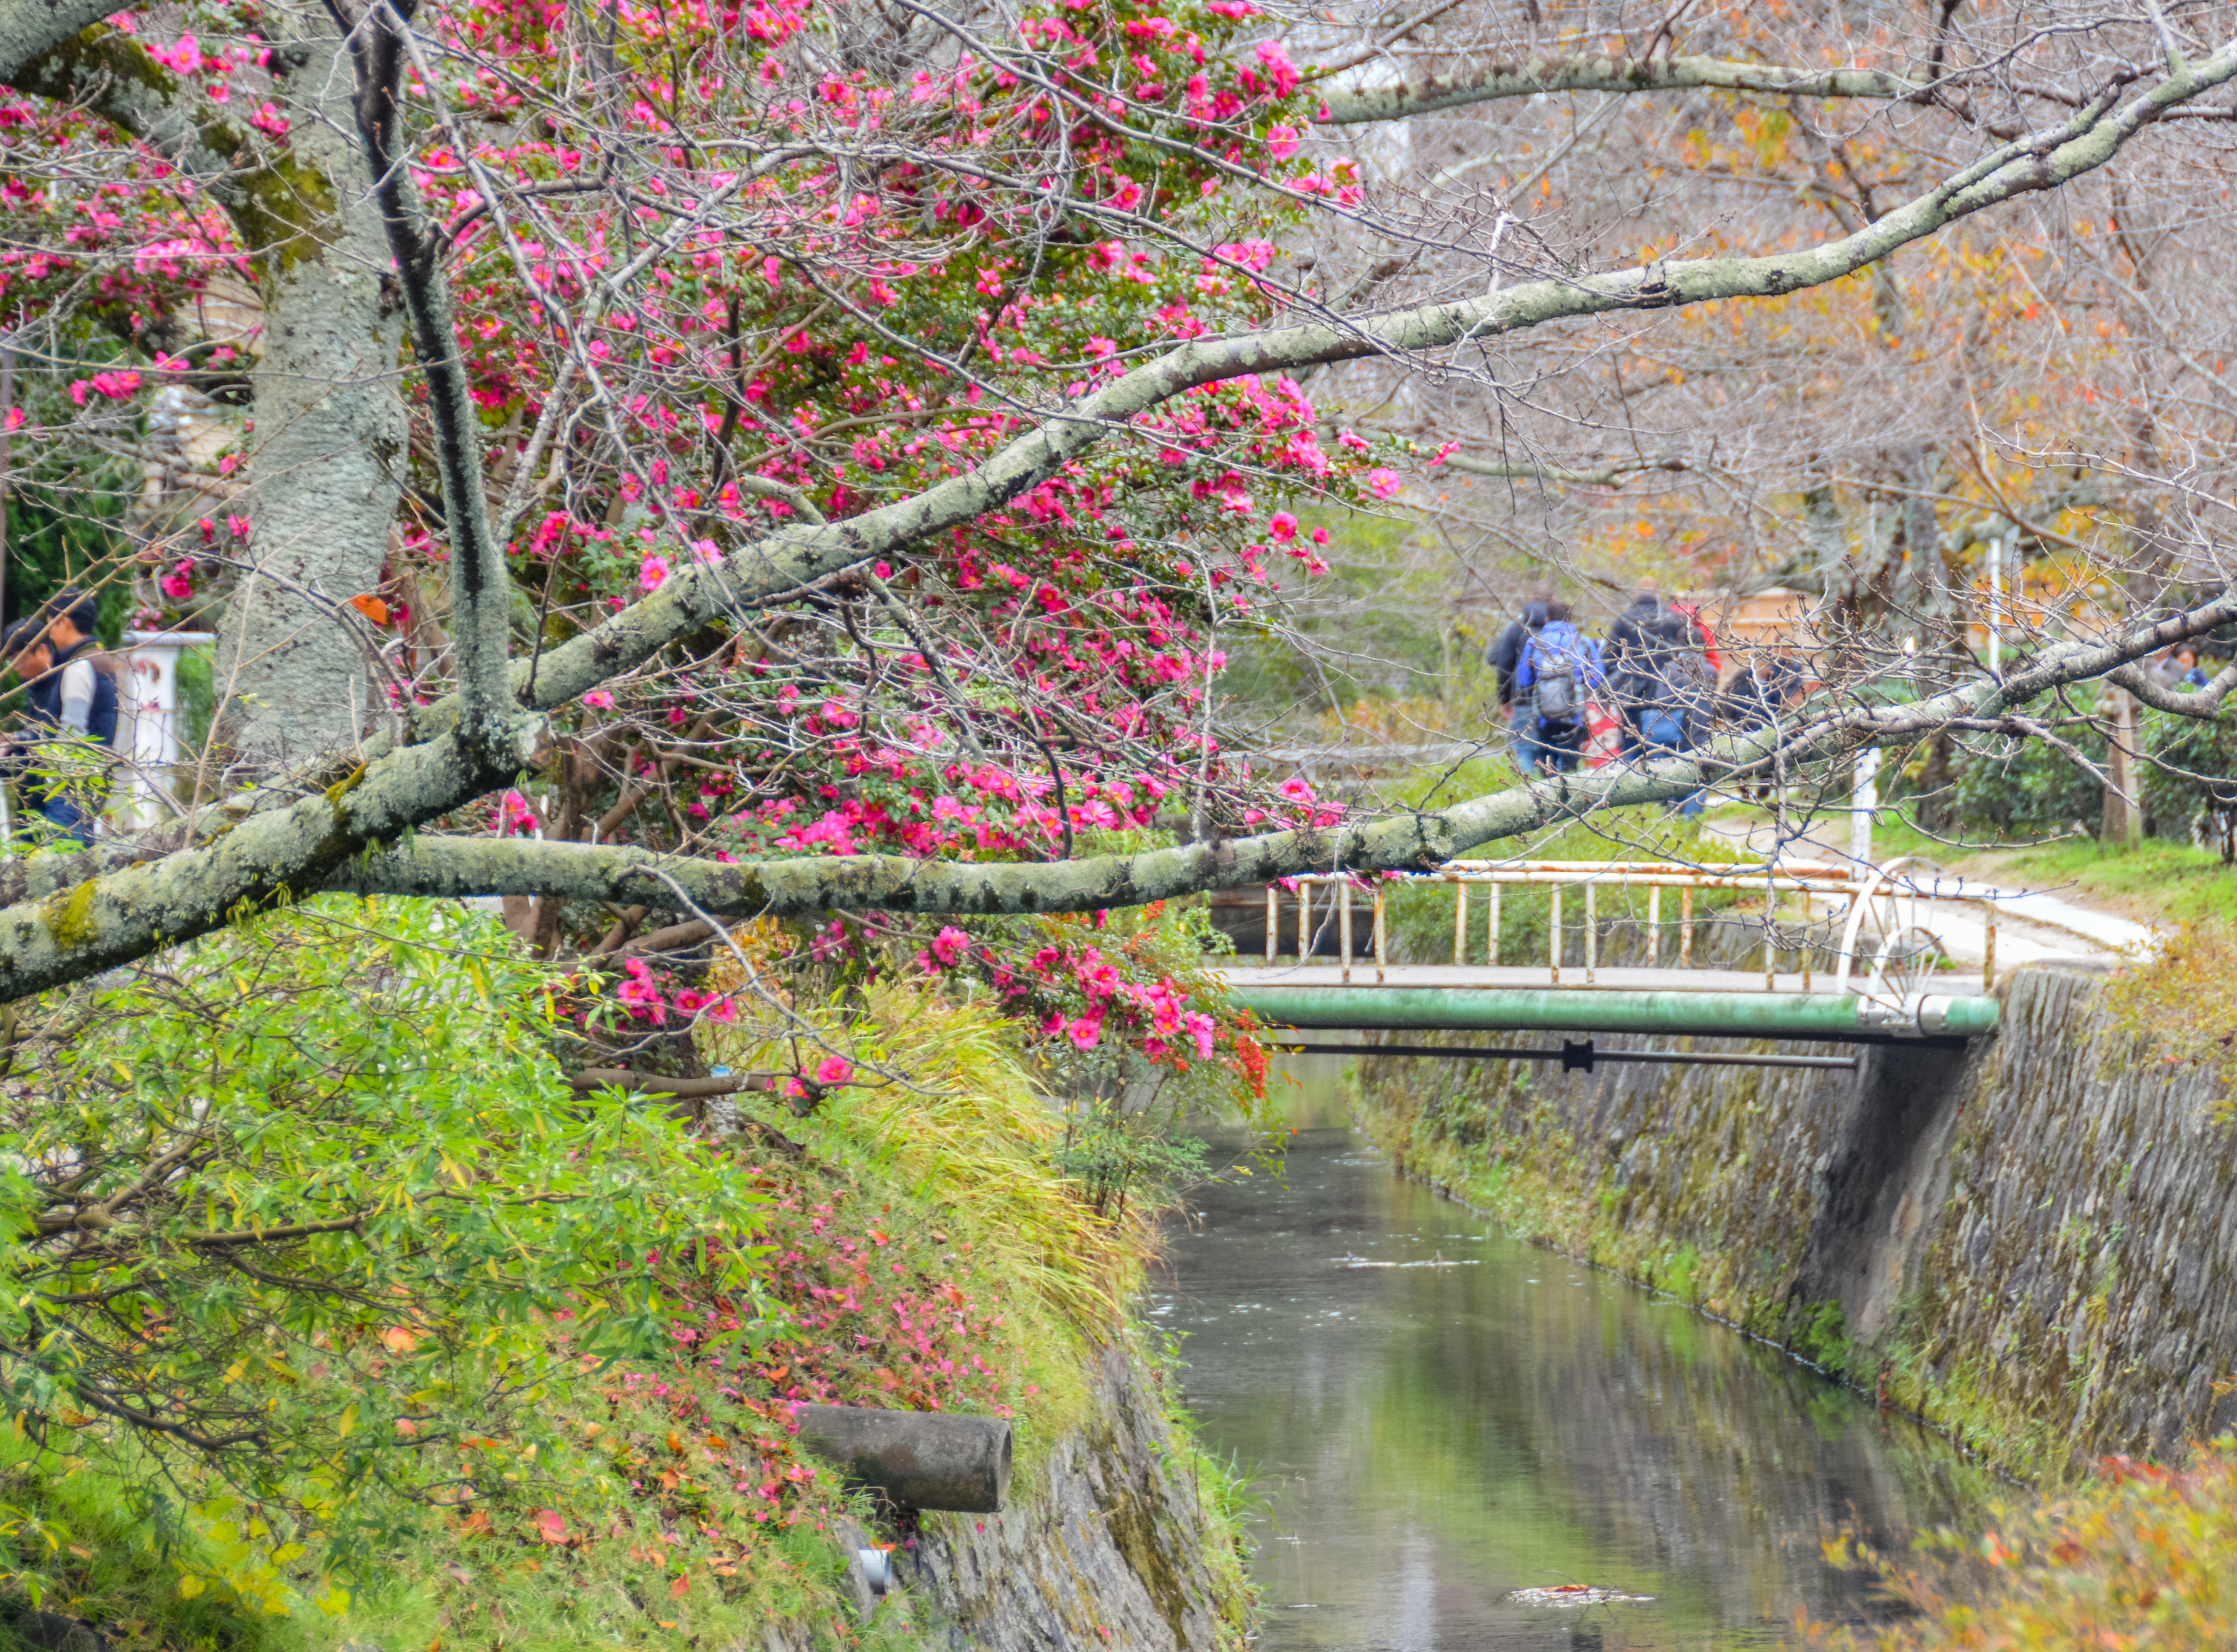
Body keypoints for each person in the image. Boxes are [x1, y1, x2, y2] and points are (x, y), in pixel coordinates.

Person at [3, 592, 119, 844]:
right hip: (84, 780)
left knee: (66, 859)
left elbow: (71, 732)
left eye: (50, 624)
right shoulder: (95, 660)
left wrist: (53, 778)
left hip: (69, 784)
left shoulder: (80, 666)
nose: (50, 634)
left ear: (64, 622)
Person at [1514, 599, 1604, 774]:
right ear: (1570, 620)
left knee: (1548, 759)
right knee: (1571, 760)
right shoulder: (1583, 642)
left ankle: (1550, 794)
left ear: (1547, 619)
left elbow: (1524, 680)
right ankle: (1570, 794)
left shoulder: (1534, 643)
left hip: (1544, 715)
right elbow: (1598, 679)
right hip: (1575, 714)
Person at [1487, 596, 1549, 760]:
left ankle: (1526, 783)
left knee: (1525, 749)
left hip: (1523, 699)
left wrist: (1505, 699)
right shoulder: (1562, 633)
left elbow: (1503, 665)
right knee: (1551, 752)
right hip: (1556, 702)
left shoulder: (1516, 630)